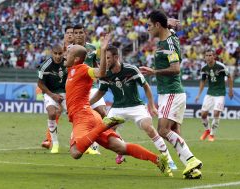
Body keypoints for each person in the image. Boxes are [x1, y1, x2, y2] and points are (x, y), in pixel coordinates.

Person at [64, 34, 172, 177]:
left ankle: (104, 125)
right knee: (120, 147)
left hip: (83, 116)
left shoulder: (84, 69)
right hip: (90, 115)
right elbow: (69, 52)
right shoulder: (71, 69)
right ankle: (158, 160)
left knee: (76, 152)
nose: (65, 55)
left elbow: (101, 72)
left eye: (68, 53)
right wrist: (71, 44)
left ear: (76, 59)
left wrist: (102, 51)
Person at [90, 45, 177, 170]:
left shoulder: (131, 70)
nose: (105, 61)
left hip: (136, 106)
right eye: (104, 58)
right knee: (106, 130)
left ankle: (168, 159)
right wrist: (88, 104)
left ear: (116, 57)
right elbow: (100, 92)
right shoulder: (105, 74)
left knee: (149, 128)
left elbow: (146, 86)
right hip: (118, 107)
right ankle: (121, 149)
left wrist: (151, 105)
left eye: (108, 58)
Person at [139, 9, 203, 179]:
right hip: (167, 93)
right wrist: (169, 22)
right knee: (174, 131)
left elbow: (175, 69)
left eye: (150, 26)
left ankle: (191, 159)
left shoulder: (168, 44)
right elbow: (170, 28)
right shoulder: (168, 37)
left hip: (171, 92)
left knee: (162, 130)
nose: (148, 29)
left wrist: (153, 71)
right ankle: (192, 169)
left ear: (158, 25)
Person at [73, 24, 107, 154]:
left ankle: (98, 143)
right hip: (77, 89)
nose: (78, 35)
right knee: (81, 117)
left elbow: (96, 64)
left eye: (81, 32)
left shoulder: (92, 48)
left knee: (103, 113)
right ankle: (84, 142)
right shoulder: (70, 50)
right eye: (76, 33)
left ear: (85, 33)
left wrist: (101, 74)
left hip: (91, 86)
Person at [41, 25, 74, 149]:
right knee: (53, 112)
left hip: (71, 89)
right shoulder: (60, 51)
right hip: (55, 90)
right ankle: (50, 140)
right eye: (68, 33)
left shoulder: (78, 50)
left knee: (76, 115)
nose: (70, 35)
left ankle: (81, 140)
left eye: (72, 33)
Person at [195, 48, 233, 142]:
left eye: (210, 55)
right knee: (203, 114)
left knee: (216, 113)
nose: (208, 57)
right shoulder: (204, 68)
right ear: (204, 57)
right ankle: (207, 130)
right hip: (210, 93)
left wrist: (230, 90)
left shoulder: (221, 66)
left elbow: (229, 77)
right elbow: (203, 81)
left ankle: (212, 134)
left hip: (220, 93)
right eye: (206, 55)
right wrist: (199, 95)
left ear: (214, 56)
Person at [37, 43, 67, 153]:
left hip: (66, 93)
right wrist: (52, 95)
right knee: (51, 113)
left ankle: (80, 142)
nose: (58, 56)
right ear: (52, 53)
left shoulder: (68, 63)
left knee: (75, 116)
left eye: (60, 54)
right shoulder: (45, 66)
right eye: (55, 54)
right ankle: (55, 144)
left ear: (63, 53)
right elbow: (40, 84)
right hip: (51, 93)